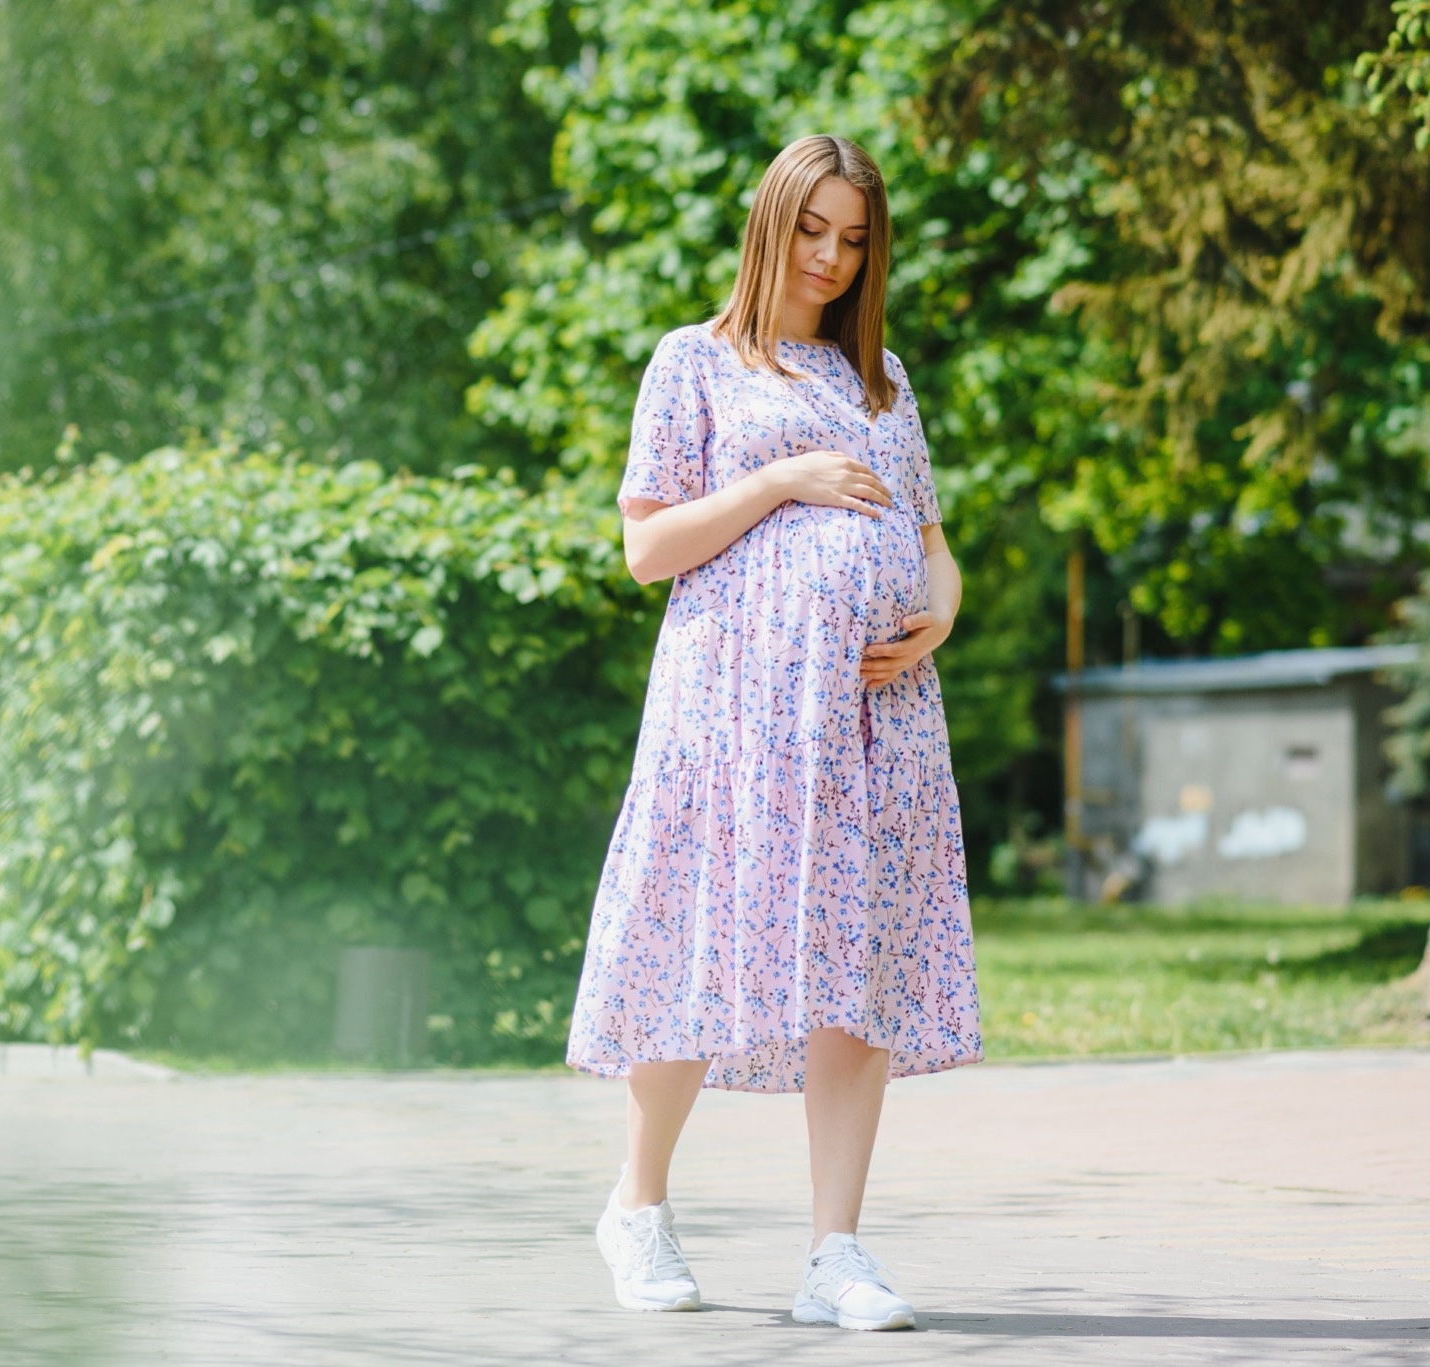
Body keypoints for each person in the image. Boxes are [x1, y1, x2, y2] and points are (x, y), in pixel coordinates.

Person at [564, 133, 983, 1332]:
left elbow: (932, 539)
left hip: (870, 719)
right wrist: (779, 481)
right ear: (770, 223)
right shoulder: (691, 362)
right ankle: (636, 1205)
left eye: (854, 240)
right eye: (813, 230)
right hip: (732, 714)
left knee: (852, 967)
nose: (831, 258)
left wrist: (936, 614)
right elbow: (648, 548)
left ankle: (833, 1253)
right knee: (691, 938)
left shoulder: (882, 380)